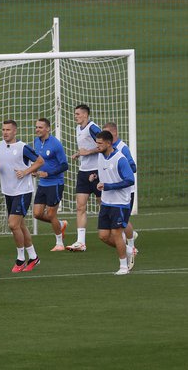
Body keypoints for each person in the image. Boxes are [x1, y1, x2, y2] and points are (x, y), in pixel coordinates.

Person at [0, 120, 45, 273]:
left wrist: (26, 171)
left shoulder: (23, 148)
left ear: (15, 131)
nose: (5, 132)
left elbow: (40, 161)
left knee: (13, 224)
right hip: (8, 191)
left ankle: (20, 259)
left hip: (23, 191)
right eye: (3, 129)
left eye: (8, 130)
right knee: (20, 225)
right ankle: (34, 257)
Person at [91, 131, 135, 275]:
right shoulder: (100, 156)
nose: (97, 146)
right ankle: (129, 250)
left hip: (120, 203)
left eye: (100, 143)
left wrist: (108, 186)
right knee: (103, 236)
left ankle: (123, 266)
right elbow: (106, 172)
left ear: (109, 143)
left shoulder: (120, 159)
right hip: (106, 202)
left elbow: (130, 180)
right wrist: (95, 176)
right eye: (96, 143)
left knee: (117, 234)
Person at [102, 122, 139, 268]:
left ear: (113, 134)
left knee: (121, 224)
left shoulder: (122, 148)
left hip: (126, 192)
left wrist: (119, 170)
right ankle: (130, 245)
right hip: (113, 193)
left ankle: (130, 247)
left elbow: (133, 167)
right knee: (123, 222)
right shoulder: (104, 152)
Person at [66, 105, 102, 252]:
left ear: (85, 115)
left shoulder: (93, 128)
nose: (75, 116)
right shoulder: (78, 129)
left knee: (105, 205)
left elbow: (104, 145)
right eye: (75, 114)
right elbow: (84, 149)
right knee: (80, 206)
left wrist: (87, 152)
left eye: (78, 114)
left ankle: (124, 234)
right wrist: (78, 154)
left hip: (97, 171)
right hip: (83, 172)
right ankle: (81, 242)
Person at [31, 118, 70, 251]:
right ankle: (60, 224)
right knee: (37, 214)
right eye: (36, 127)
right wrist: (34, 170)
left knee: (51, 214)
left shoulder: (55, 144)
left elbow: (65, 165)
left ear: (48, 129)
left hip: (55, 183)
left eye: (40, 127)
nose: (37, 129)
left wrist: (49, 174)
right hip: (43, 184)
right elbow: (38, 160)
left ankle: (59, 243)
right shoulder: (36, 142)